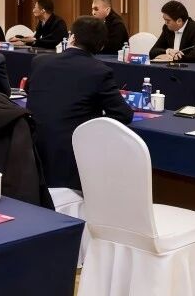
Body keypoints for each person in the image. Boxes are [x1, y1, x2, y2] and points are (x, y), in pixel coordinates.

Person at [26, 15, 133, 190]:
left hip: (32, 151)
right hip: (72, 157)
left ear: (72, 37)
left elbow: (29, 90)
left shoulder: (40, 61)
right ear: (101, 46)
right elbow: (124, 114)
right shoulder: (99, 71)